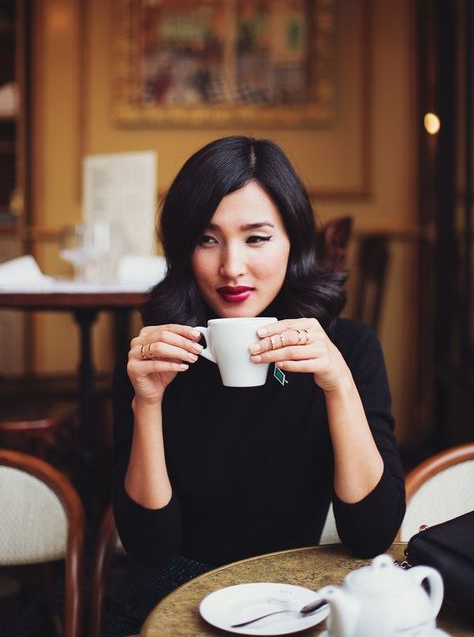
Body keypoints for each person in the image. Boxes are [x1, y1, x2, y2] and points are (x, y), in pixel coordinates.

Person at [108, 135, 405, 635]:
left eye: (257, 237)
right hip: (178, 588)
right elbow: (150, 548)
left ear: (293, 241)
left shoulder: (349, 348)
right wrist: (148, 402)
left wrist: (336, 383)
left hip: (298, 594)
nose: (231, 267)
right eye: (208, 238)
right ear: (185, 249)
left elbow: (371, 535)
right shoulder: (155, 357)